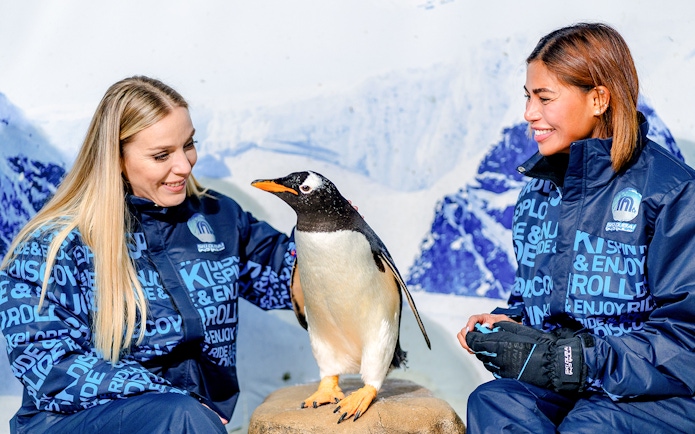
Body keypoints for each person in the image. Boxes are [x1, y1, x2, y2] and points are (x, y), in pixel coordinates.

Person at [0, 76, 298, 433]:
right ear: (117, 158)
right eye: (161, 155)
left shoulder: (218, 218)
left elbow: (289, 278)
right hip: (69, 423)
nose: (185, 166)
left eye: (189, 145)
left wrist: (331, 238)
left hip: (192, 420)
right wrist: (175, 400)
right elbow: (50, 369)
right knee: (178, 416)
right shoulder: (53, 245)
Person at [458, 22, 695, 433]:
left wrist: (580, 361)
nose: (529, 114)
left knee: (592, 424)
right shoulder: (540, 191)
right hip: (574, 384)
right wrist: (510, 326)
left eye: (544, 98)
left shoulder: (671, 192)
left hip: (660, 394)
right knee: (496, 406)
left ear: (599, 98)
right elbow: (540, 304)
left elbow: (687, 339)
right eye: (528, 97)